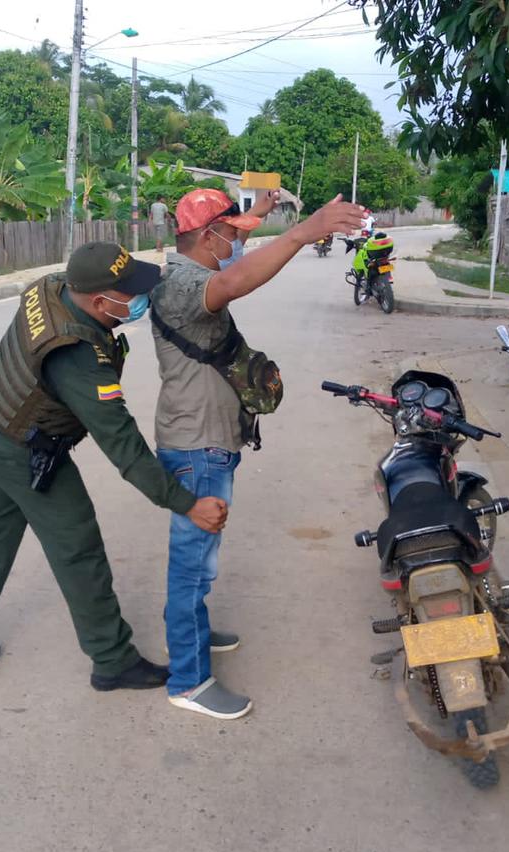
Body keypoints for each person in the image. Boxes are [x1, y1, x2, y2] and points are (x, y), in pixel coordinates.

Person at [0, 241, 229, 690]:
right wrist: (186, 503)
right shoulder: (77, 353)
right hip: (18, 450)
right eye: (128, 293)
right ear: (99, 300)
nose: (139, 298)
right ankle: (112, 660)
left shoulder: (51, 287)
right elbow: (122, 445)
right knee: (78, 547)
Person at [150, 188, 366, 719]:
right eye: (232, 232)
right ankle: (189, 681)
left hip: (210, 439)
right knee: (190, 564)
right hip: (196, 446)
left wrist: (264, 212)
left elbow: (234, 251)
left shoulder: (197, 262)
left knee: (202, 563)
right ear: (206, 236)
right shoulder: (183, 284)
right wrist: (300, 232)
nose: (239, 241)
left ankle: (197, 632)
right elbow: (231, 281)